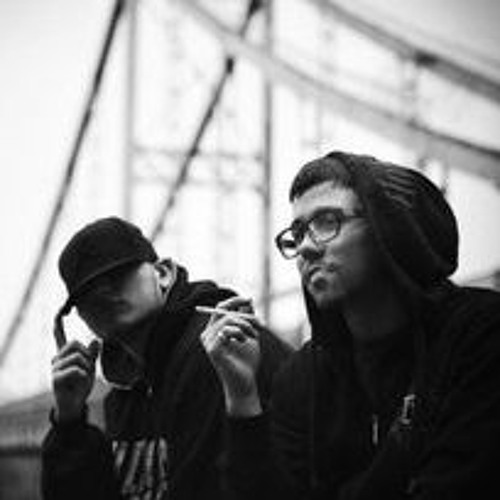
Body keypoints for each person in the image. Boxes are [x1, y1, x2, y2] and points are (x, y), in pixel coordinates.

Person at [201, 151, 500, 499]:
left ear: (387, 227)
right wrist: (242, 396)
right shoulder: (303, 376)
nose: (306, 248)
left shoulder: (480, 335)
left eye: (327, 221)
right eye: (297, 233)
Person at [41, 216, 291, 500]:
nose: (103, 294)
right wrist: (69, 423)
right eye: (87, 294)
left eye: (117, 276)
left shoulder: (219, 351)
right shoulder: (124, 386)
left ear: (163, 273)